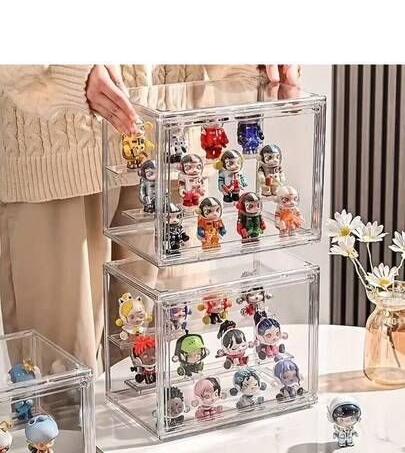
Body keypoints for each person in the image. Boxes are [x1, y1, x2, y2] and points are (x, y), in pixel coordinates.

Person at [0, 65, 299, 372]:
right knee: (63, 377)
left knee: (176, 365)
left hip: (176, 150)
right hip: (59, 150)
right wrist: (68, 69)